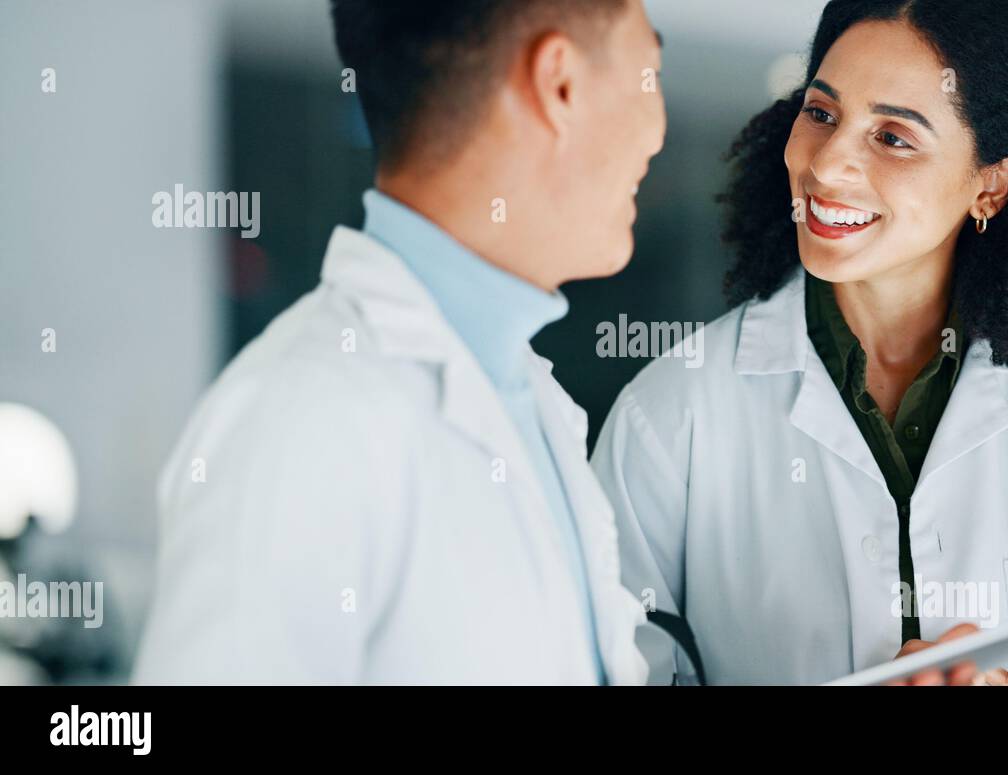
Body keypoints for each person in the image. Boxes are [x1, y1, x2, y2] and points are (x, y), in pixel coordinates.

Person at [591, 0, 1008, 685]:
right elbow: (597, 666)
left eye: (893, 137)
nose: (828, 165)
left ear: (991, 185)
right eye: (821, 113)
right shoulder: (675, 408)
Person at [134, 0, 665, 684]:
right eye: (650, 71)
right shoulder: (301, 416)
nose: (657, 133)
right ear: (560, 84)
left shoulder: (528, 398)